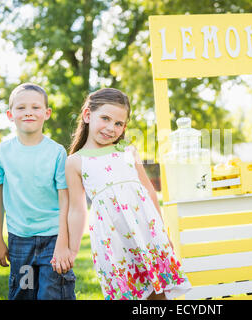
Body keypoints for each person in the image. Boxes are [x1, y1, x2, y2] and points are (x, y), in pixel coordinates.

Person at [55, 88, 191, 300]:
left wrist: (162, 233)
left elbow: (148, 191)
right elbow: (76, 209)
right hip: (113, 238)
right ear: (88, 115)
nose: (111, 128)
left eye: (118, 123)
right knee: (131, 291)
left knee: (159, 292)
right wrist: (71, 249)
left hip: (146, 232)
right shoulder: (76, 162)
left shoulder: (128, 151)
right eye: (105, 118)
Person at [0, 83, 76, 300]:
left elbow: (65, 199)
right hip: (20, 240)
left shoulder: (57, 152)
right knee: (23, 294)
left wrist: (64, 243)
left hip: (53, 238)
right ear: (10, 115)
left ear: (47, 113)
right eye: (21, 108)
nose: (28, 112)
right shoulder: (2, 153)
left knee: (53, 293)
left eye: (36, 107)